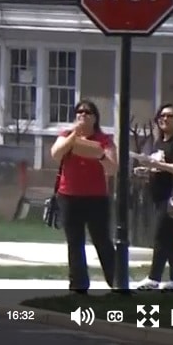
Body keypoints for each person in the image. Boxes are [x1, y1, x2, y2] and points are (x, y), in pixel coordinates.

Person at [48, 99, 116, 293]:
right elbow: (56, 154)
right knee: (75, 242)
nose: (83, 115)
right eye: (79, 112)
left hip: (96, 198)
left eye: (87, 112)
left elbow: (112, 168)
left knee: (102, 240)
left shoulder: (104, 140)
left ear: (95, 118)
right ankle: (78, 286)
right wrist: (75, 136)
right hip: (69, 196)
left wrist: (99, 154)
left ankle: (116, 282)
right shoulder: (66, 135)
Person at [134, 103, 173, 291]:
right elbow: (162, 168)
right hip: (160, 196)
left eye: (170, 116)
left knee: (161, 237)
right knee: (170, 239)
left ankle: (153, 279)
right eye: (161, 116)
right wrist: (147, 170)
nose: (165, 119)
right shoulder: (160, 141)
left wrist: (159, 166)